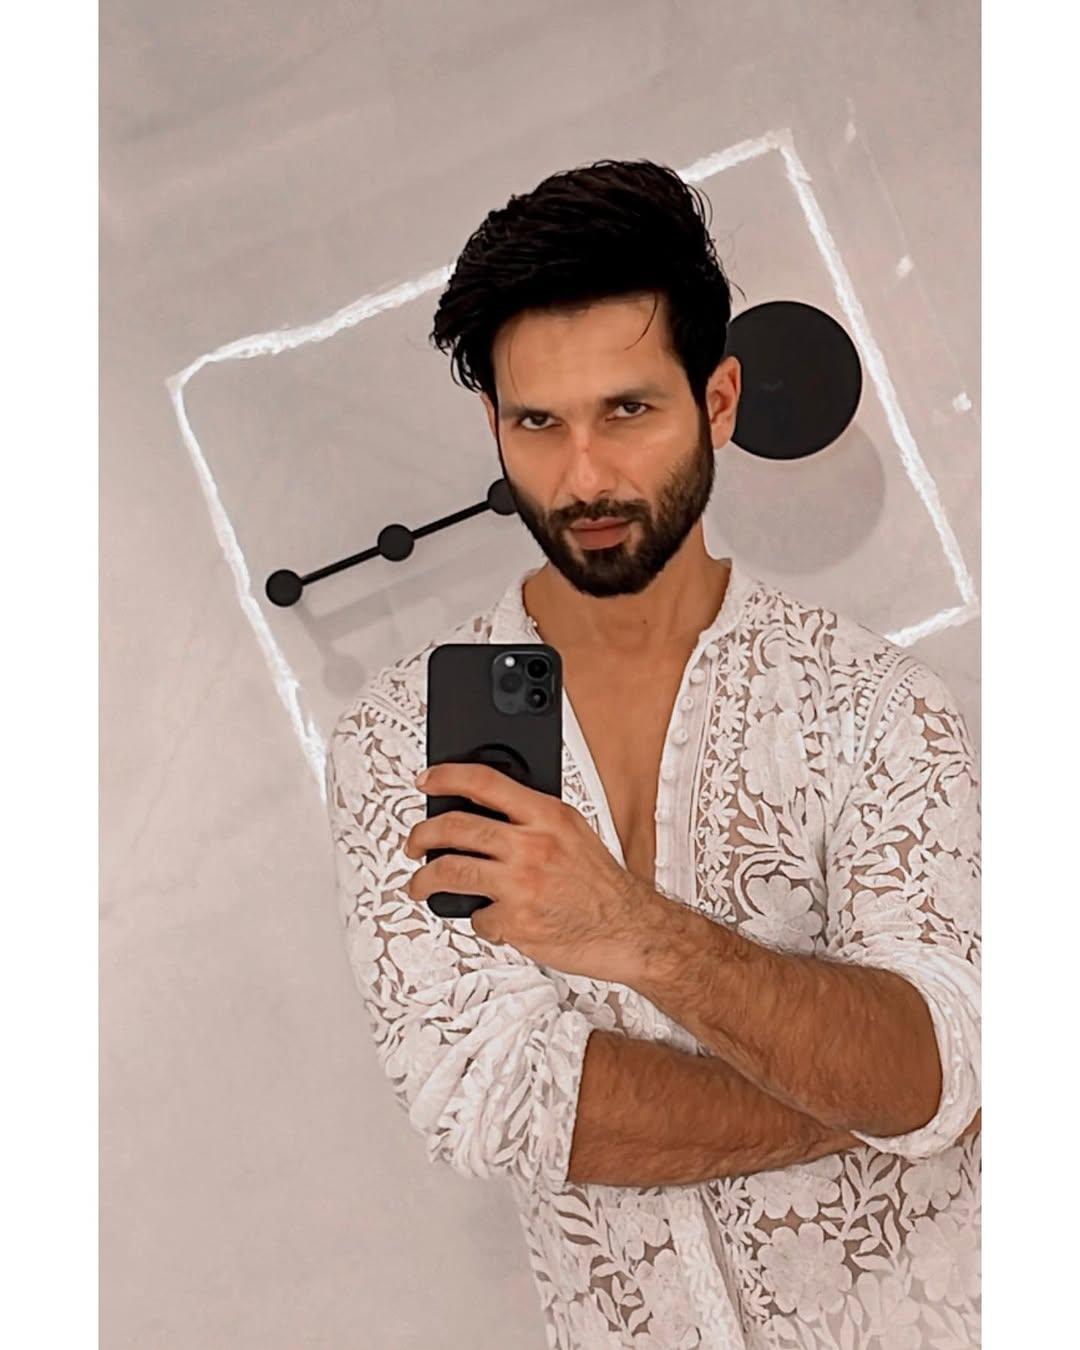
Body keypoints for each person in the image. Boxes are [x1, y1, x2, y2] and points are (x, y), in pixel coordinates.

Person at [324, 160, 980, 1349]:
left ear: (717, 400)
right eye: (538, 423)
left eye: (627, 411)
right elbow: (489, 1099)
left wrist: (628, 931)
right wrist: (873, 1103)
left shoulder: (877, 708)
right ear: (495, 426)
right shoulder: (394, 740)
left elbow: (937, 1061)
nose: (583, 477)